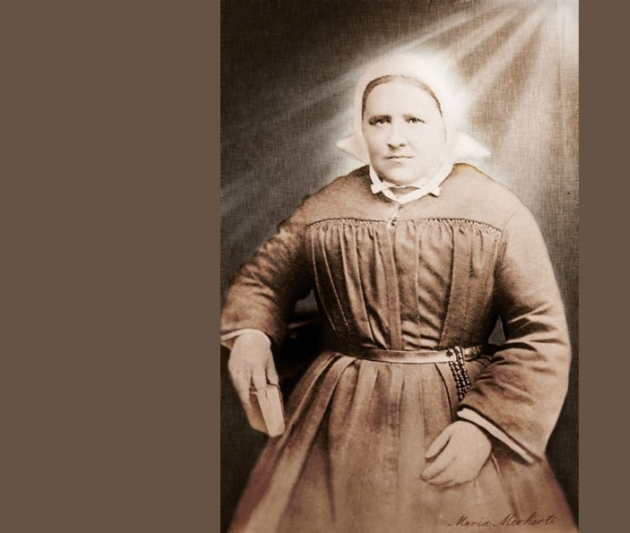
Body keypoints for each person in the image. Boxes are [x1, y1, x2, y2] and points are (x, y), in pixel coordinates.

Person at [221, 53, 577, 533]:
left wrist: (483, 427)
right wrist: (250, 335)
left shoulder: (496, 210)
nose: (395, 137)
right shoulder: (328, 206)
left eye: (413, 120)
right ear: (361, 128)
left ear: (445, 125)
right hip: (338, 416)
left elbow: (541, 335)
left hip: (454, 409)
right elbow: (263, 281)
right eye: (379, 120)